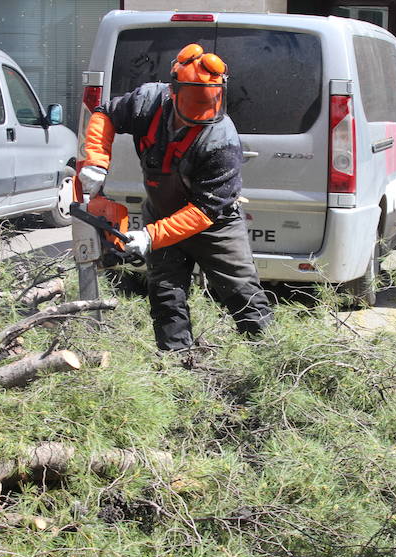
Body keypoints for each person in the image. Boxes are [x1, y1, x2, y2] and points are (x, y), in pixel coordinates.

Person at [78, 43, 272, 351]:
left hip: (215, 227)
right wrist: (96, 161)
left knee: (242, 295)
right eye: (189, 110)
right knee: (166, 295)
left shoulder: (222, 140)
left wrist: (151, 236)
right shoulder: (148, 101)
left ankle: (269, 360)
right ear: (173, 91)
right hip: (162, 213)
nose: (194, 120)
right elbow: (105, 114)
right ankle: (177, 365)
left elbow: (205, 211)